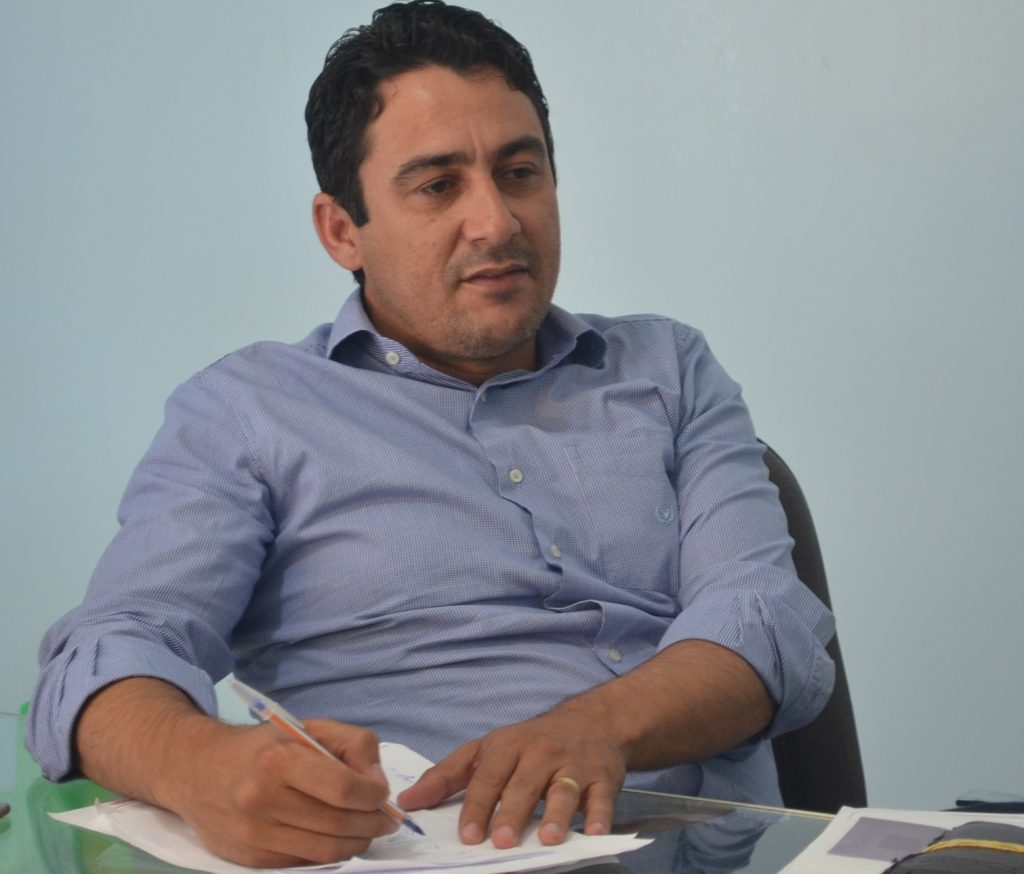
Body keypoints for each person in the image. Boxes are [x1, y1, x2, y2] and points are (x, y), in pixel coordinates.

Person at [27, 1, 836, 868]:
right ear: (343, 230)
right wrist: (198, 764)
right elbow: (113, 647)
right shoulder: (246, 412)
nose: (497, 222)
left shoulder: (668, 369)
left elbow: (762, 619)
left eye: (520, 172)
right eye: (438, 186)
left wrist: (599, 726)